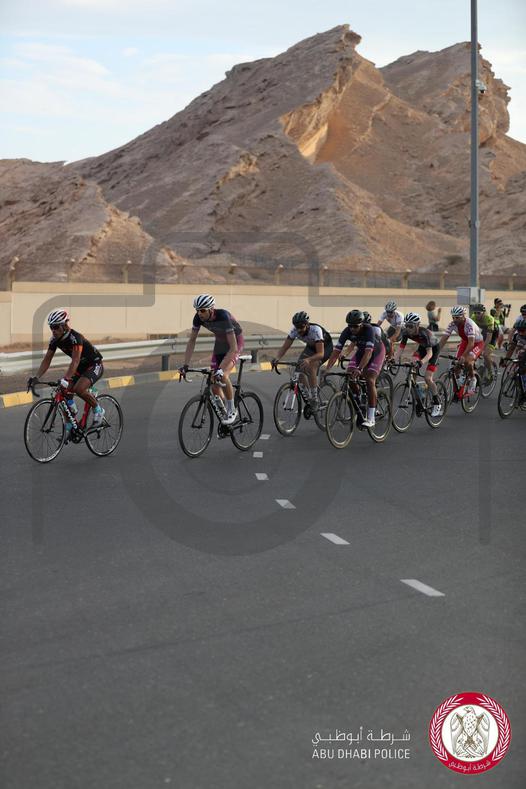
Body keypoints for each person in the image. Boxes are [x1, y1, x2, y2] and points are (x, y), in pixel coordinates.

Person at [27, 309, 105, 425]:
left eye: (56, 327)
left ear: (64, 325)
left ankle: (98, 409)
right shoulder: (54, 340)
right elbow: (47, 359)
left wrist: (66, 378)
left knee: (78, 389)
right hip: (80, 368)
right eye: (51, 327)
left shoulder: (75, 338)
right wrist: (36, 377)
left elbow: (75, 360)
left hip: (94, 365)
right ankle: (70, 425)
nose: (53, 330)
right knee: (63, 391)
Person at [179, 294, 243, 425]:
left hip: (235, 343)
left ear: (211, 309)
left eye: (202, 310)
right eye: (197, 310)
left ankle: (232, 410)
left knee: (222, 375)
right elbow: (192, 341)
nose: (199, 313)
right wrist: (185, 365)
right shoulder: (198, 318)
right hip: (220, 343)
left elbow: (233, 348)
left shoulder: (223, 316)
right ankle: (225, 417)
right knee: (214, 384)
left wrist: (221, 369)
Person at [325, 309, 385, 428]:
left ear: (362, 324)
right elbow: (336, 352)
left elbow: (368, 353)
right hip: (361, 351)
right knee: (349, 375)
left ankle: (371, 418)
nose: (352, 329)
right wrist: (327, 369)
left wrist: (360, 368)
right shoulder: (347, 331)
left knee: (370, 380)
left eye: (355, 326)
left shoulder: (369, 330)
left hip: (376, 352)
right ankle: (359, 403)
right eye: (350, 326)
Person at [272, 311, 333, 410]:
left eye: (301, 327)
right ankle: (308, 396)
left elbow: (320, 354)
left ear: (307, 325)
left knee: (312, 366)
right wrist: (277, 358)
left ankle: (315, 399)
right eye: (297, 327)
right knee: (299, 367)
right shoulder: (294, 331)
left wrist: (309, 359)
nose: (299, 330)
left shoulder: (315, 330)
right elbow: (285, 347)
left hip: (325, 348)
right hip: (311, 347)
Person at [396, 312, 442, 416]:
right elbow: (401, 348)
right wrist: (394, 360)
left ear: (417, 325)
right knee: (412, 365)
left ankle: (437, 402)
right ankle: (419, 394)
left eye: (411, 326)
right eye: (406, 325)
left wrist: (421, 362)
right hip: (422, 347)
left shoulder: (425, 334)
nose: (408, 328)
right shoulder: (406, 332)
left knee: (427, 378)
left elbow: (429, 354)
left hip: (433, 350)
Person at [438, 306, 484, 395]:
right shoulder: (452, 324)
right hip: (465, 342)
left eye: (457, 317)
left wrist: (464, 355)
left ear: (463, 316)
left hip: (477, 343)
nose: (455, 320)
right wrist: (436, 352)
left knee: (467, 361)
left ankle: (473, 379)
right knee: (457, 364)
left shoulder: (469, 324)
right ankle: (460, 383)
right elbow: (444, 339)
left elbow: (471, 344)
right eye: (453, 317)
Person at [500, 316, 526, 403]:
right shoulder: (517, 336)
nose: (520, 333)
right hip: (522, 352)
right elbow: (511, 349)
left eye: (523, 330)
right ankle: (520, 391)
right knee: (518, 368)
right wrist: (506, 360)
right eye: (519, 330)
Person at [470, 304, 497, 383]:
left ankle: (490, 373)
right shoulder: (473, 317)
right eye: (475, 313)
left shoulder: (489, 319)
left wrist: (482, 349)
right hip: (483, 333)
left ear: (484, 313)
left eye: (479, 313)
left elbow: (489, 337)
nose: (476, 315)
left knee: (485, 354)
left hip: (492, 334)